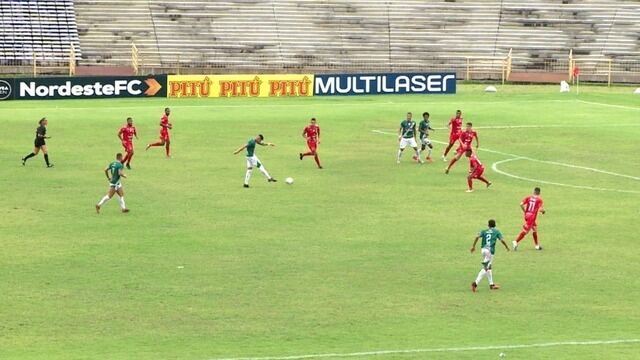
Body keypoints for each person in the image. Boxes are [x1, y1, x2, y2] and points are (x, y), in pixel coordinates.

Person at [470, 219, 510, 292]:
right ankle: (475, 283)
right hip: (489, 251)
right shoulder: (496, 231)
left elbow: (477, 237)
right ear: (495, 225)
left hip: (483, 250)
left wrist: (473, 246)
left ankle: (491, 285)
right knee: (486, 268)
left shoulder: (484, 231)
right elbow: (502, 240)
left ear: (488, 225)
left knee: (489, 267)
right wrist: (506, 247)